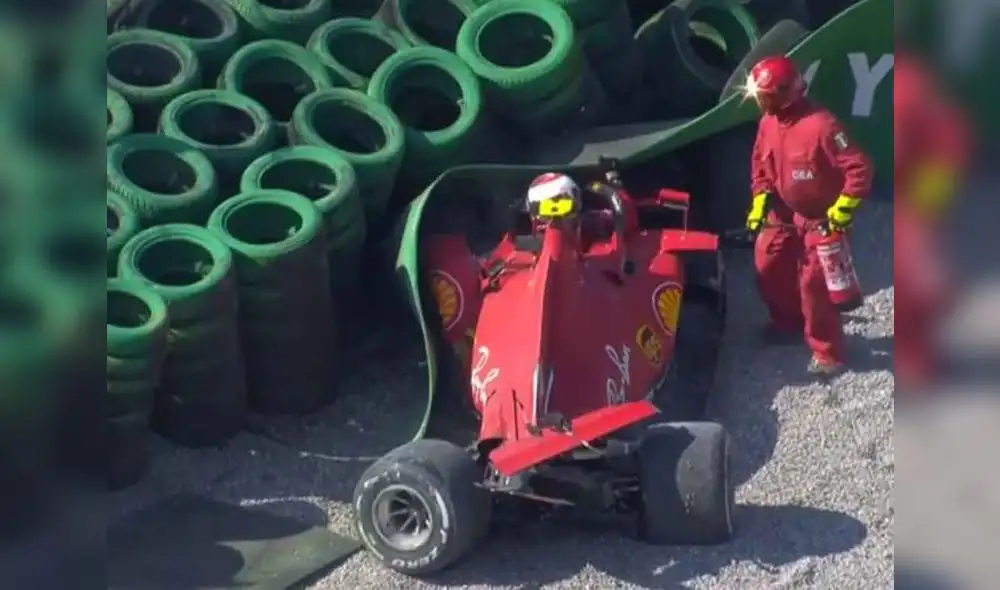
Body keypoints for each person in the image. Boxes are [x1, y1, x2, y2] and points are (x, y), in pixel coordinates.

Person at [743, 55, 874, 375]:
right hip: (784, 212)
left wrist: (843, 209)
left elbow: (860, 168)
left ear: (782, 94)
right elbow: (760, 164)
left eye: (763, 97)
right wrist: (760, 201)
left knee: (814, 286)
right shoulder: (767, 124)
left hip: (822, 220)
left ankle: (827, 352)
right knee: (768, 264)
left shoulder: (823, 127)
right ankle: (788, 322)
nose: (759, 103)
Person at [893, 50, 971, 391]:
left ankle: (920, 357)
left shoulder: (913, 87)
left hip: (916, 202)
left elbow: (950, 143)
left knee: (922, 282)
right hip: (902, 198)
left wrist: (927, 204)